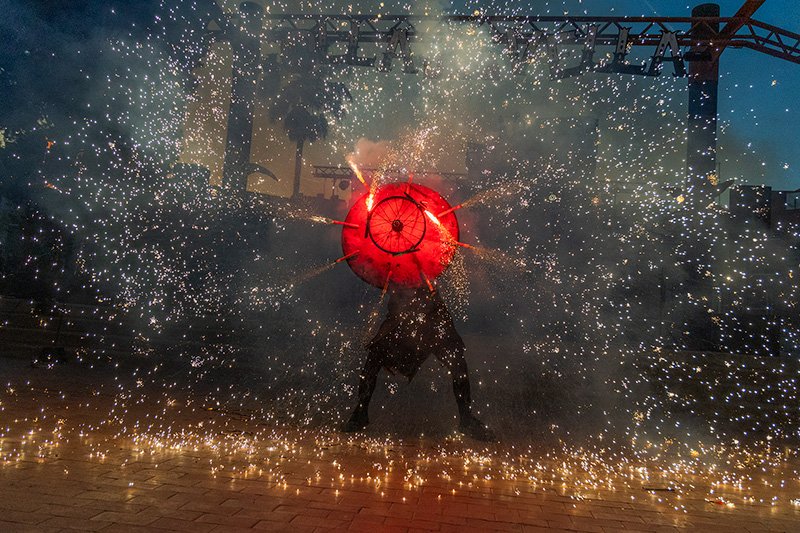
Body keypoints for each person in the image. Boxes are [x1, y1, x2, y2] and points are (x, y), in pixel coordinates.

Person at [344, 285, 495, 441]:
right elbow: (394, 300)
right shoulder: (396, 273)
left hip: (435, 319)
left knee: (457, 360)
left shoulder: (428, 270)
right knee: (376, 352)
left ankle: (466, 417)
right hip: (400, 320)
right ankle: (361, 411)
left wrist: (431, 296)